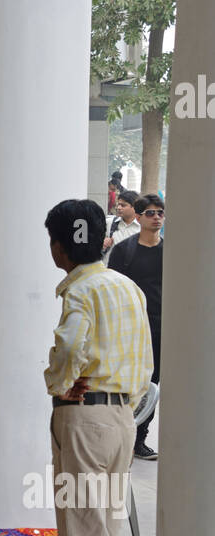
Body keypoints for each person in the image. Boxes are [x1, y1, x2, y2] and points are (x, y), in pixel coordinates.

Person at [44, 199, 152, 536]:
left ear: (59, 247)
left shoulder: (80, 292)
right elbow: (147, 360)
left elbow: (69, 347)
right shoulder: (126, 288)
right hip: (120, 418)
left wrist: (58, 381)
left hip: (84, 420)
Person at [108, 193, 164, 460]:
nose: (156, 218)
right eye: (151, 213)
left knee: (152, 386)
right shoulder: (123, 251)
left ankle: (140, 439)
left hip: (162, 326)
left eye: (160, 213)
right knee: (131, 383)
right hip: (131, 327)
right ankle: (123, 436)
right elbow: (113, 290)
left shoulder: (171, 251)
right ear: (139, 217)